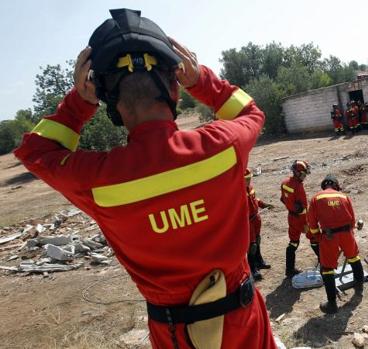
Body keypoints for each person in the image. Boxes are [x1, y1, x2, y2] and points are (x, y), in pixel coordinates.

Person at [14, 9, 276, 349]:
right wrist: (202, 80)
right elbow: (251, 112)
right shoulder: (221, 146)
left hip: (174, 335)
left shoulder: (99, 179)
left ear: (110, 102)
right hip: (245, 324)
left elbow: (35, 151)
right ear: (175, 89)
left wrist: (78, 104)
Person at [307, 174, 365, 314]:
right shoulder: (344, 197)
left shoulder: (316, 198)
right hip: (346, 233)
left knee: (327, 268)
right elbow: (352, 220)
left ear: (324, 185)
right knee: (353, 257)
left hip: (329, 236)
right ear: (336, 185)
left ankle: (332, 304)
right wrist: (348, 232)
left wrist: (317, 236)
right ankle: (359, 284)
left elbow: (312, 223)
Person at [280, 160, 319, 277]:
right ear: (297, 173)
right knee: (314, 238)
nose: (305, 176)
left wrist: (291, 206)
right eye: (303, 174)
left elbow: (283, 199)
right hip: (302, 220)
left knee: (293, 242)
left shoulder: (285, 182)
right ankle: (325, 262)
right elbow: (301, 207)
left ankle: (289, 269)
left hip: (291, 218)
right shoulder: (297, 185)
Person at [245, 168, 274, 281]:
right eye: (246, 179)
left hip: (256, 218)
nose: (248, 180)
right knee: (251, 246)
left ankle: (259, 261)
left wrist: (264, 204)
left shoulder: (251, 188)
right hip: (248, 221)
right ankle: (253, 268)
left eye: (249, 178)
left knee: (257, 240)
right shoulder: (237, 191)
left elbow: (255, 199)